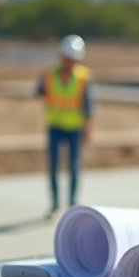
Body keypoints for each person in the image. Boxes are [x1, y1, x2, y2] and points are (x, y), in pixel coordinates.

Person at [36, 34, 95, 216]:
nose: (69, 62)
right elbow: (39, 92)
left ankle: (72, 203)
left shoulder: (83, 77)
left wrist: (87, 130)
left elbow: (88, 107)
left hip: (74, 127)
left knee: (74, 165)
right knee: (53, 164)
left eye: (73, 59)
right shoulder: (49, 74)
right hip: (54, 125)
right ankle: (54, 202)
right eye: (67, 58)